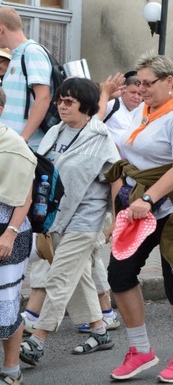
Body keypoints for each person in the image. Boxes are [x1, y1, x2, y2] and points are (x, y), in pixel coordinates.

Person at [105, 55, 173, 383]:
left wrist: (150, 199)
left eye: (147, 83)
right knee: (120, 274)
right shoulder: (144, 110)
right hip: (143, 202)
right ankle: (140, 350)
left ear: (169, 82)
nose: (141, 89)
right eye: (138, 82)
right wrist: (129, 202)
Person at [19, 78, 121, 367]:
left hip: (86, 222)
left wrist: (116, 221)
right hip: (55, 219)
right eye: (60, 100)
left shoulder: (101, 138)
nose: (62, 106)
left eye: (69, 101)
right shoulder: (55, 132)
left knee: (60, 278)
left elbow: (117, 182)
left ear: (86, 106)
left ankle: (37, 341)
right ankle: (100, 331)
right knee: (81, 279)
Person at [0, 87, 36, 384]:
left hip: (8, 231)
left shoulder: (14, 146)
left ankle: (11, 369)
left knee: (6, 301)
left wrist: (9, 234)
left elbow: (25, 196)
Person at [0, 7, 52, 150]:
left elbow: (43, 98)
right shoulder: (17, 55)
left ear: (0, 29)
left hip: (25, 148)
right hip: (11, 144)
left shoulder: (32, 52)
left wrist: (23, 139)